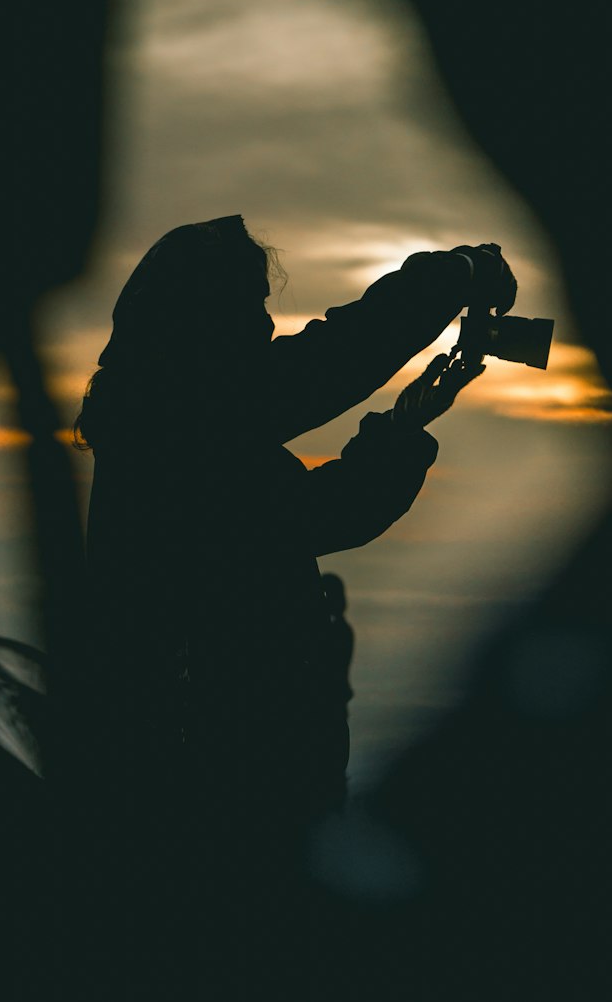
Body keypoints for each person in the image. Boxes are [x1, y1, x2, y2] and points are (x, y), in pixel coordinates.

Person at [68, 216, 515, 835]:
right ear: (201, 317)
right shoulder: (186, 417)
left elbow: (302, 509)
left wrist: (402, 427)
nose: (265, 324)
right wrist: (461, 274)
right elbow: (337, 362)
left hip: (211, 753)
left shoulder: (162, 422)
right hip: (225, 767)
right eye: (248, 306)